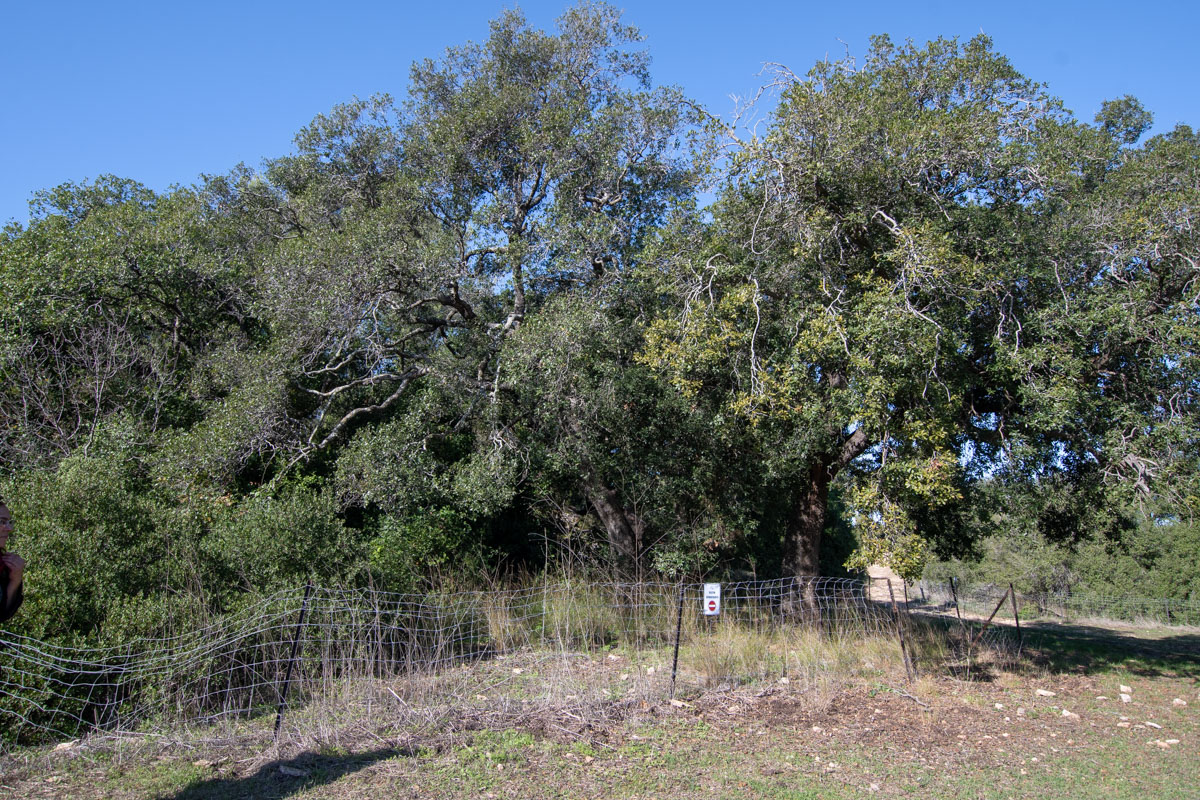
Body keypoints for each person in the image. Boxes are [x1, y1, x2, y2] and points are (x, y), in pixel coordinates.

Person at [0, 499, 24, 624]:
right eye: (2, 522)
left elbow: (2, 614)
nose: (9, 528)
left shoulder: (2, 565)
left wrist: (15, 580)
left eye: (9, 522)